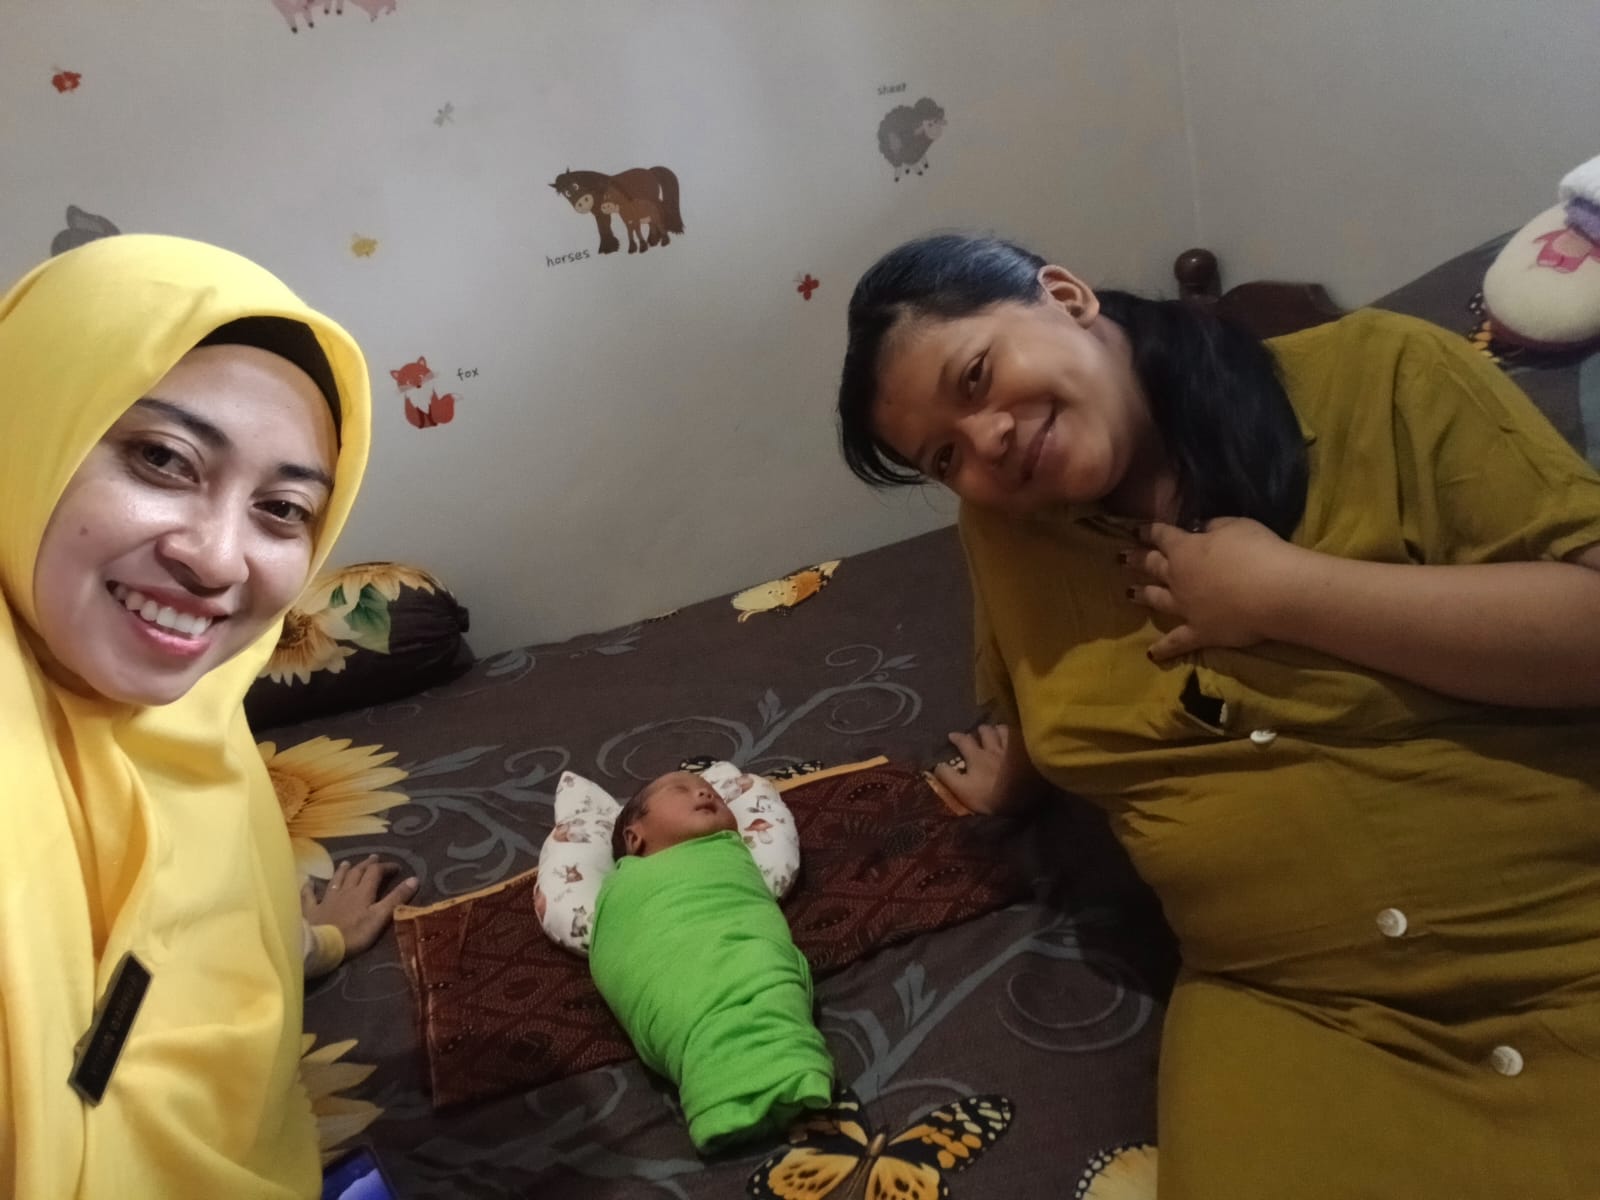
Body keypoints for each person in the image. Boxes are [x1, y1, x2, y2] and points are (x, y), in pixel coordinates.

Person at [835, 233, 1600, 1197]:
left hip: (1563, 937)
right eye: (944, 455)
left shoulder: (1384, 373)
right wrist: (1015, 779)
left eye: (978, 375)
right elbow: (1040, 679)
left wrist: (1290, 596)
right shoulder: (1003, 529)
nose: (984, 442)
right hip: (1293, 1009)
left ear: (1064, 295)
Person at [0, 235, 385, 1198]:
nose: (218, 560)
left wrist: (312, 944)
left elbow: (185, 929)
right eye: (162, 459)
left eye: (283, 509)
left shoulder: (197, 722)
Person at [590, 771, 833, 1152]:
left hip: (745, 950)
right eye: (680, 790)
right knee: (694, 998)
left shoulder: (729, 855)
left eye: (712, 792)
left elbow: (745, 910)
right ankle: (750, 1079)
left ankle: (765, 1075)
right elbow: (623, 950)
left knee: (760, 967)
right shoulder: (626, 888)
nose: (705, 793)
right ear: (635, 838)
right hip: (680, 970)